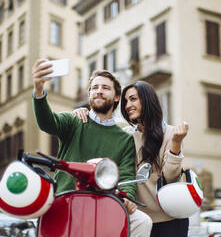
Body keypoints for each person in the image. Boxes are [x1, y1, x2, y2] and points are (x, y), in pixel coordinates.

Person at [32, 59, 152, 237]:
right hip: (66, 200)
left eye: (105, 88)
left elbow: (126, 174)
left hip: (104, 205)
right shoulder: (74, 121)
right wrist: (39, 89)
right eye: (94, 88)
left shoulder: (125, 139)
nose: (98, 91)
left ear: (117, 96)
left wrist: (127, 198)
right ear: (89, 95)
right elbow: (47, 122)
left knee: (143, 221)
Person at [74, 81, 189, 237]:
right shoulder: (126, 135)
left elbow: (171, 178)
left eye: (133, 99)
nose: (128, 105)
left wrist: (176, 143)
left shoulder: (171, 133)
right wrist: (83, 113)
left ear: (147, 100)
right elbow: (102, 126)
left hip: (171, 219)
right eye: (126, 101)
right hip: (139, 220)